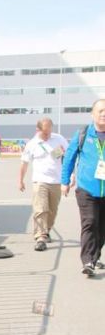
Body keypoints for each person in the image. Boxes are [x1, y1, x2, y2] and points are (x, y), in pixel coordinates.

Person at [61, 98, 105, 276]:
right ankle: (88, 261)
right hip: (87, 188)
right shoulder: (83, 134)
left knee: (101, 228)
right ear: (92, 114)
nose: (104, 114)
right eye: (100, 111)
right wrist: (65, 181)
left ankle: (95, 256)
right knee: (90, 222)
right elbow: (69, 158)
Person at [18, 117, 67, 251]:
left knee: (52, 210)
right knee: (40, 209)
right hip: (39, 181)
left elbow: (68, 157)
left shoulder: (59, 139)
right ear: (38, 130)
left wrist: (70, 176)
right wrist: (20, 180)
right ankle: (40, 237)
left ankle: (46, 230)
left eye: (49, 132)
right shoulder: (32, 144)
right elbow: (24, 163)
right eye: (45, 132)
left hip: (56, 181)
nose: (47, 135)